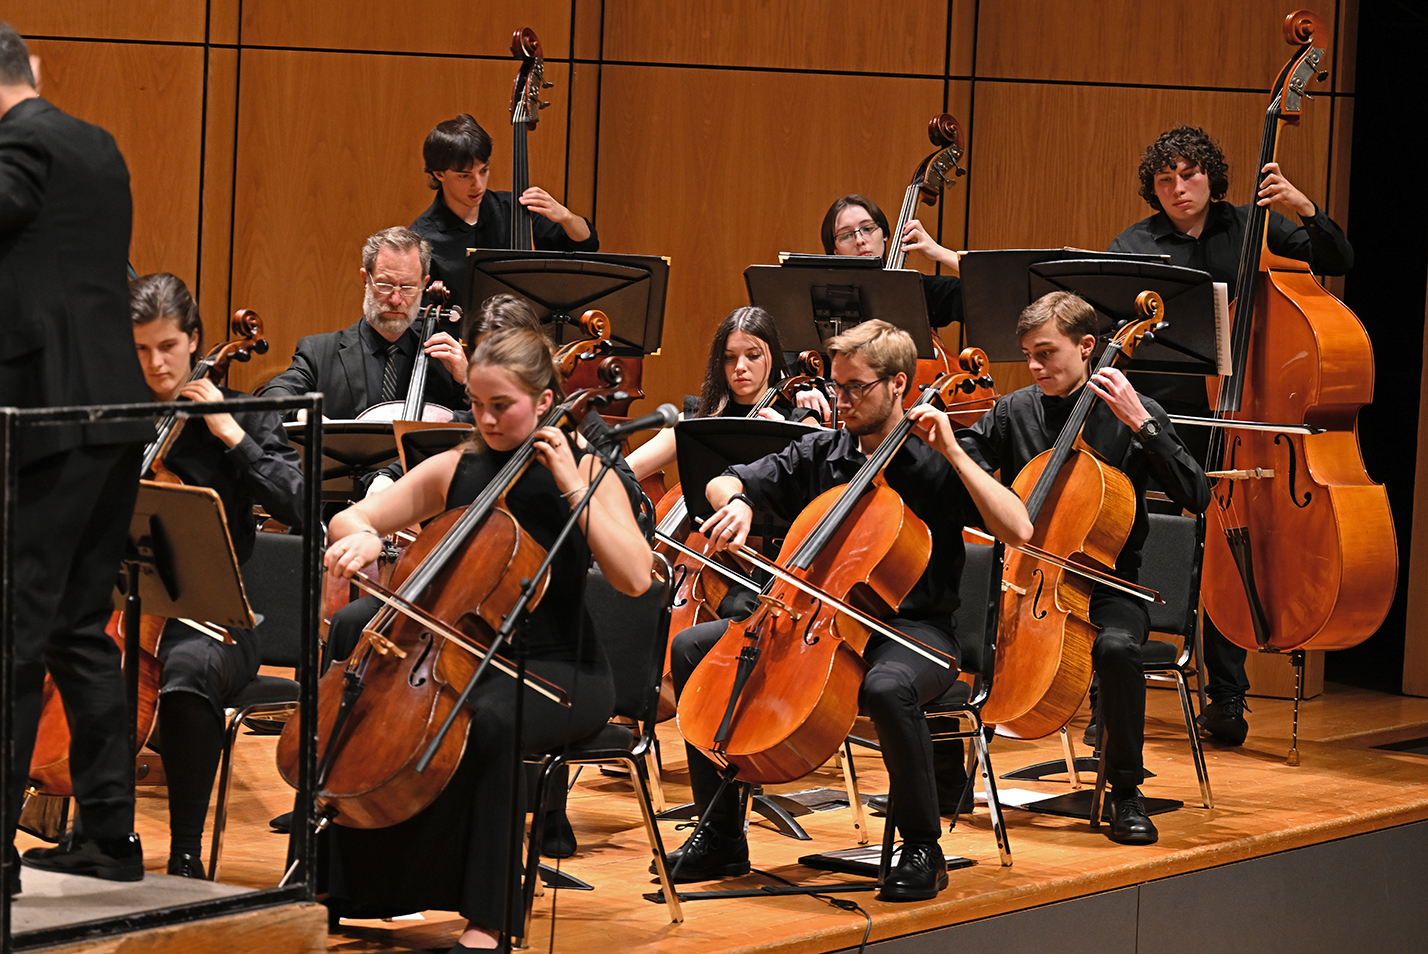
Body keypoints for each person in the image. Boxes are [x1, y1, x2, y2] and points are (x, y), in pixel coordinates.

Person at [663, 320, 1031, 902]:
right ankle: (722, 833)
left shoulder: (935, 461)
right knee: (692, 647)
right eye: (838, 387)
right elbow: (725, 478)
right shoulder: (821, 450)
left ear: (898, 385)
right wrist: (734, 504)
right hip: (818, 619)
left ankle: (921, 847)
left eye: (856, 388)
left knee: (887, 688)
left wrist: (955, 451)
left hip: (917, 631)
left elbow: (1018, 525)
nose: (842, 401)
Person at [321, 327, 651, 951]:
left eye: (503, 405)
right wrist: (361, 533)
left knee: (488, 720)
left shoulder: (588, 470)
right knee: (379, 699)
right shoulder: (456, 467)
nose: (488, 419)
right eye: (477, 404)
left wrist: (571, 485)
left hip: (561, 671)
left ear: (546, 399)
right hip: (463, 659)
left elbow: (634, 578)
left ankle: (489, 921)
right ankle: (363, 886)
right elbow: (356, 515)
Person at [1108, 125, 1354, 745]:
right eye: (1165, 180)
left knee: (1226, 541)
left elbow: (1340, 260)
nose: (1178, 189)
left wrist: (1303, 208)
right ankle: (1110, 685)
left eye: (1189, 176)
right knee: (1117, 531)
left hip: (1247, 417)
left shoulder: (1256, 226)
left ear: (1212, 178)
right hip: (1163, 416)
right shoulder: (1134, 243)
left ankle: (1227, 697)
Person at [958, 291, 1210, 845]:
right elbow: (968, 458)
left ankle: (1125, 791)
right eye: (1027, 354)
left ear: (1088, 346)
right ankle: (954, 774)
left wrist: (1144, 425)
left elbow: (1197, 494)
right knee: (964, 628)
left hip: (1112, 584)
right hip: (1029, 580)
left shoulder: (1129, 409)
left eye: (1046, 352)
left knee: (1116, 648)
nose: (1034, 366)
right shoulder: (1014, 410)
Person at [2, 23, 153, 892]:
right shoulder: (95, 144)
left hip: (47, 418)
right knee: (77, 627)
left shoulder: (19, 144)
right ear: (36, 71)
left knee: (13, 632)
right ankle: (109, 835)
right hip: (114, 413)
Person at [123, 273, 305, 878]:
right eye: (142, 349)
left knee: (185, 670)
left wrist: (231, 435)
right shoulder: (121, 413)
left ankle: (183, 854)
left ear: (196, 341)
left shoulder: (245, 418)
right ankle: (99, 834)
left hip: (218, 619)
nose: (155, 364)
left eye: (168, 348)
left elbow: (300, 504)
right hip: (123, 606)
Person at [260, 226, 468, 425]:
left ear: (424, 284)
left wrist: (466, 383)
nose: (396, 299)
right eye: (385, 284)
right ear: (365, 278)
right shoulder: (319, 353)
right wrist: (302, 413)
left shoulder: (442, 361)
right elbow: (269, 402)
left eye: (407, 287)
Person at [411, 114, 598, 314]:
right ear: (439, 174)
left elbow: (587, 245)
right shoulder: (422, 238)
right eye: (465, 176)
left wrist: (566, 217)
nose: (478, 184)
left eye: (484, 171)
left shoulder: (513, 208)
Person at [624, 305, 828, 485]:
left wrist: (783, 436)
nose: (740, 367)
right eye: (729, 358)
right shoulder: (695, 421)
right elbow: (622, 472)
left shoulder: (799, 423)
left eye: (753, 356)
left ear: (772, 358)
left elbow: (823, 489)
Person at [821, 194, 962, 329]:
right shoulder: (823, 297)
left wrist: (940, 252)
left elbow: (982, 294)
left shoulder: (917, 290)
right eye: (846, 236)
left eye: (868, 228)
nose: (860, 240)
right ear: (836, 251)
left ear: (885, 234)